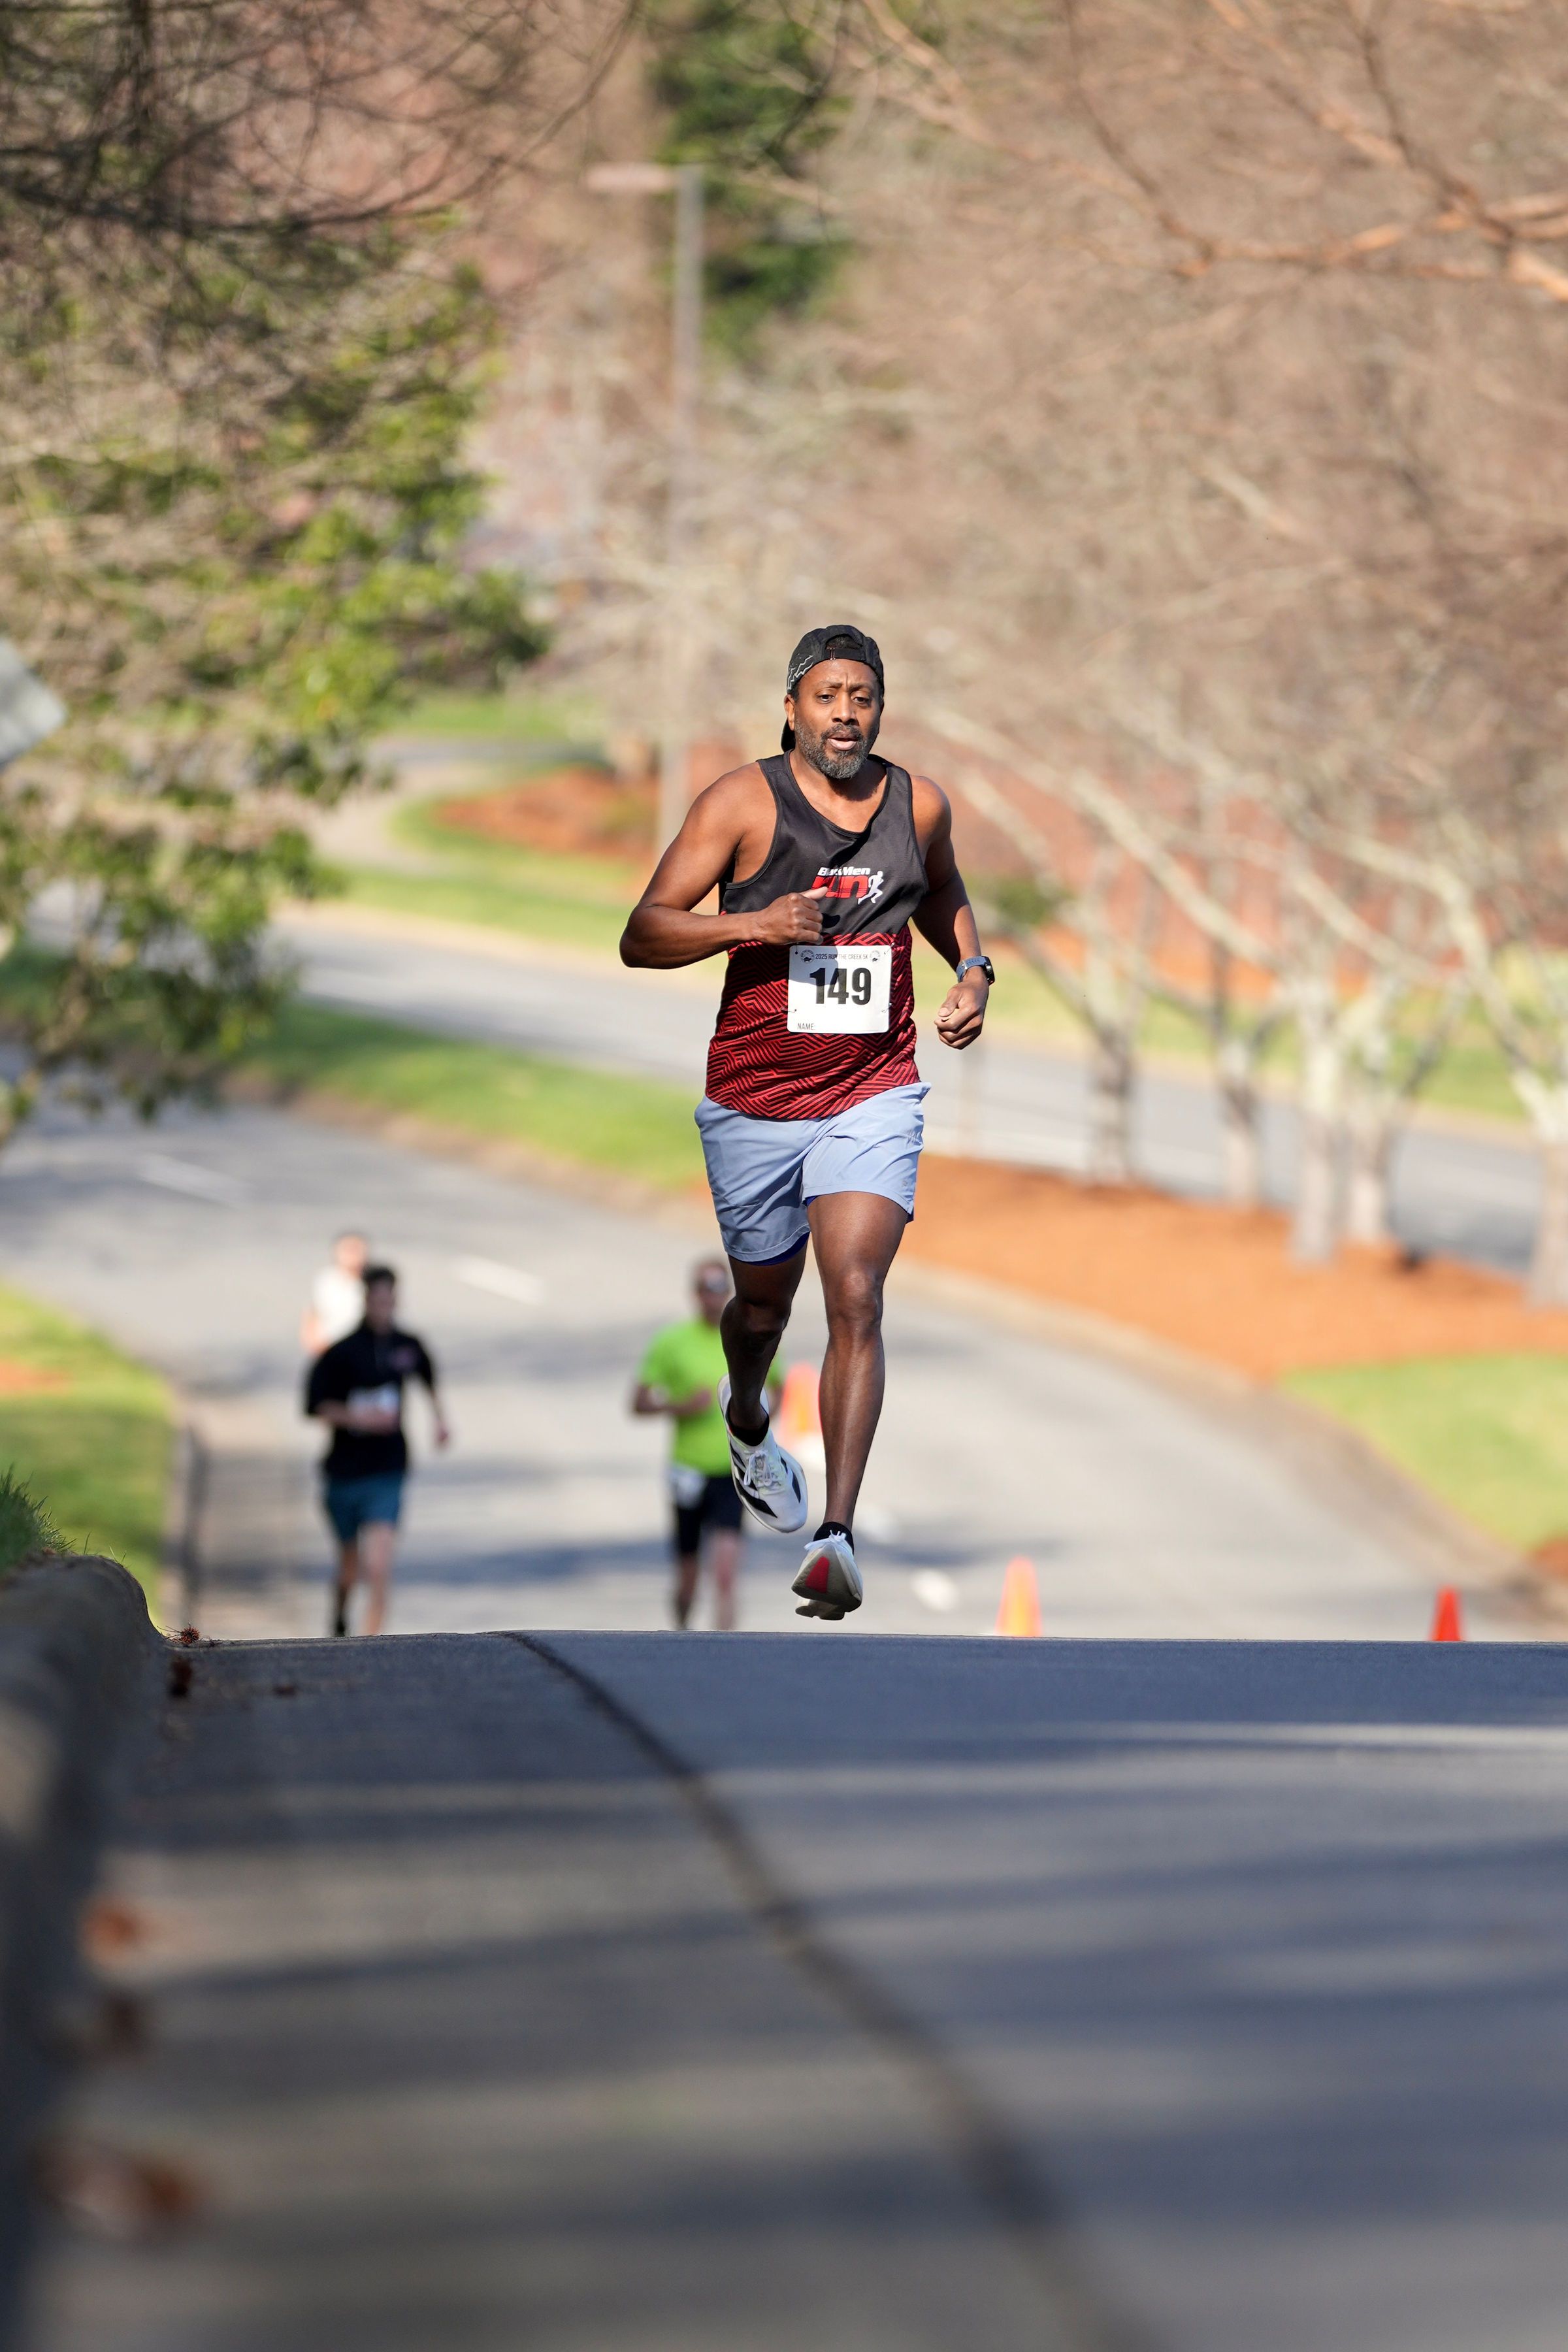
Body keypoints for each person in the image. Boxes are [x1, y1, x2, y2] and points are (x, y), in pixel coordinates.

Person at [620, 623, 993, 1622]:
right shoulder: (741, 804)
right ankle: (747, 1415)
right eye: (826, 696)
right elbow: (642, 933)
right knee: (761, 1311)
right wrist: (755, 924)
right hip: (754, 1099)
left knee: (857, 1293)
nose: (845, 714)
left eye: (862, 697)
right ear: (791, 708)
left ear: (881, 709)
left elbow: (942, 887)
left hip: (874, 1088)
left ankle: (835, 1536)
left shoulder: (918, 804)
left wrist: (973, 970)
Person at [632, 1258, 782, 1631]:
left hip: (733, 1471)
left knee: (726, 1574)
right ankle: (682, 1634)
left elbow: (779, 1386)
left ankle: (725, 1654)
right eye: (705, 1289)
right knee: (688, 1577)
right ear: (695, 1294)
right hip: (688, 1470)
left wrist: (761, 1425)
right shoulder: (671, 1341)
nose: (712, 1297)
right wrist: (679, 1406)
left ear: (729, 1291)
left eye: (719, 1289)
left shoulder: (749, 1337)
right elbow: (639, 1402)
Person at [304, 1264, 449, 1637]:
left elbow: (428, 1378)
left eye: (390, 1299)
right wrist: (359, 1418)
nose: (384, 1307)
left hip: (388, 1469)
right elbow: (315, 1405)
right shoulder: (341, 1353)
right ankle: (340, 1617)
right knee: (350, 1565)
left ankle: (371, 1647)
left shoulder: (406, 1346)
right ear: (365, 1300)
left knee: (379, 1564)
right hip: (345, 1472)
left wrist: (440, 1420)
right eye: (377, 1299)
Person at [301, 1230, 368, 1358]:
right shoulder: (326, 1280)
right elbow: (313, 1312)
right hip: (329, 1348)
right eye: (348, 1250)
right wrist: (314, 1343)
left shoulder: (372, 1282)